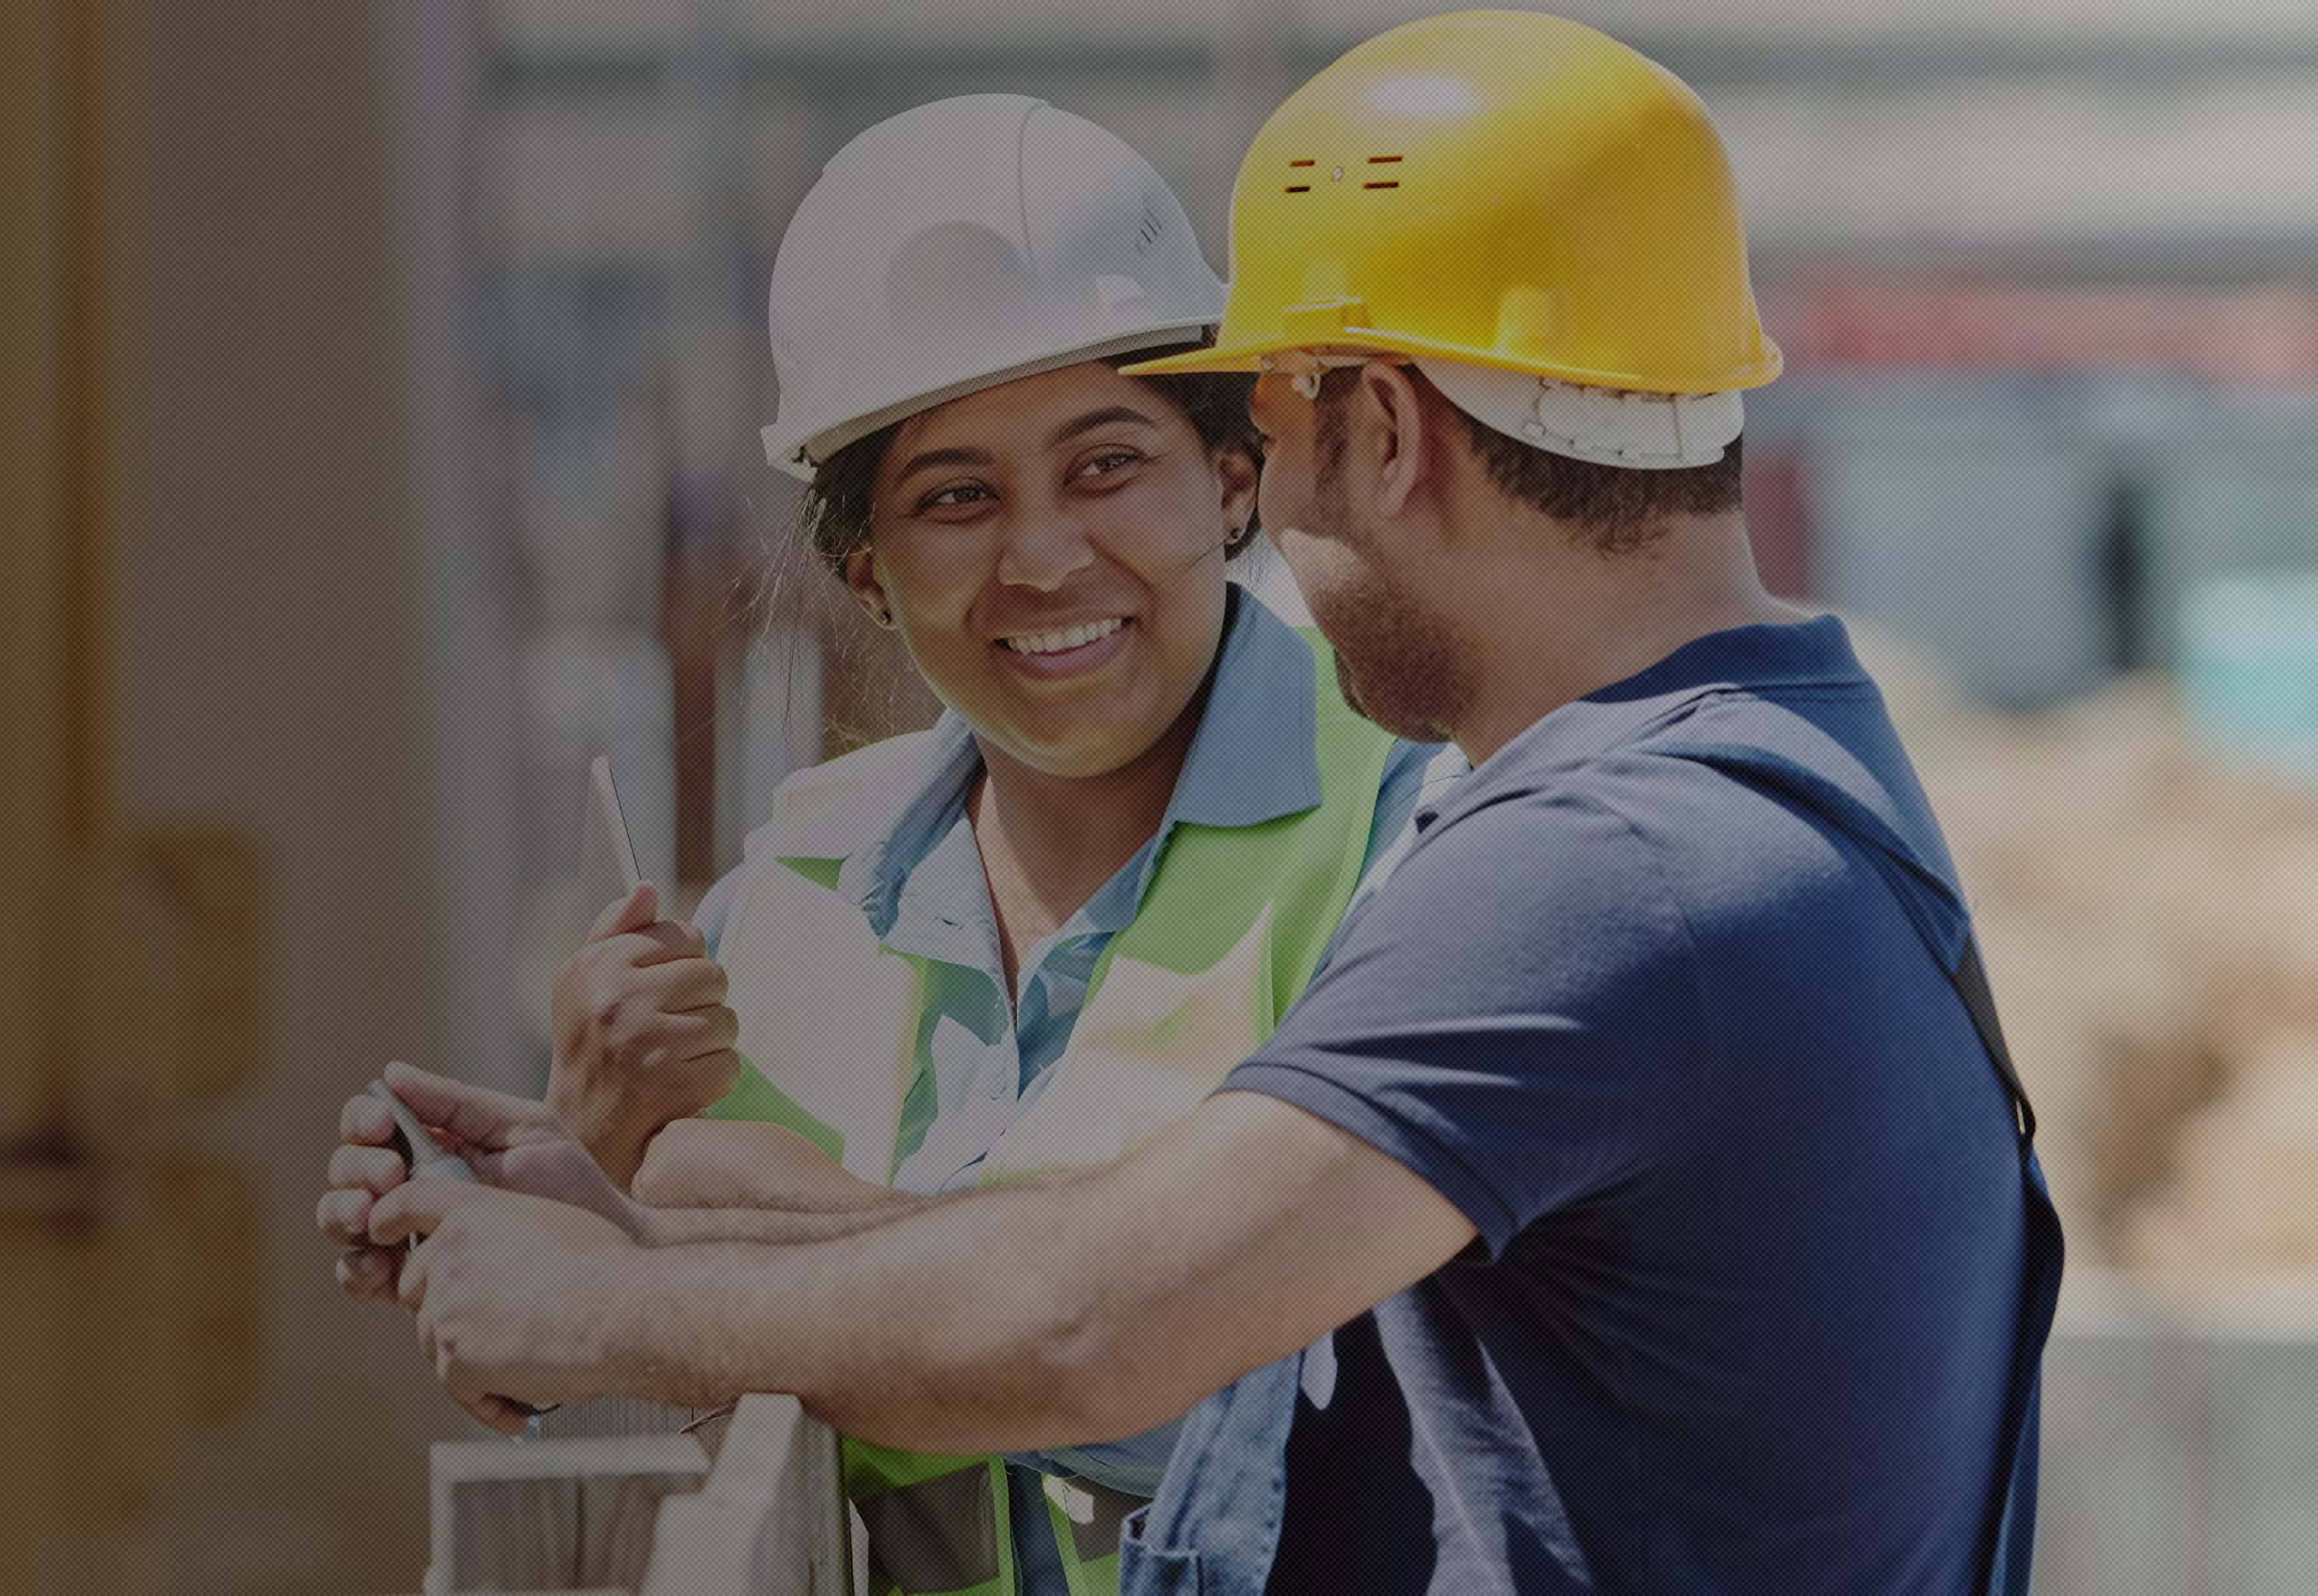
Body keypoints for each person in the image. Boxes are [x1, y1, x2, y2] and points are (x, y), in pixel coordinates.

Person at [330, 14, 2061, 1595]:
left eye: (1270, 432)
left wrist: (615, 1302)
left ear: (1382, 428)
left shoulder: (1606, 873)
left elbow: (1101, 1324)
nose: (1268, 511)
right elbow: (1115, 1257)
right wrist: (637, 1211)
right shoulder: (1773, 783)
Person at [333, 94, 1447, 1596]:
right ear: (865, 564)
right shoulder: (771, 916)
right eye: (956, 496)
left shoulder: (1407, 845)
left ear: (1230, 480)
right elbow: (657, 1408)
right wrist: (579, 1166)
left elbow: (1305, 1405)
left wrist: (767, 1220)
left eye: (1107, 464)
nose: (1043, 555)